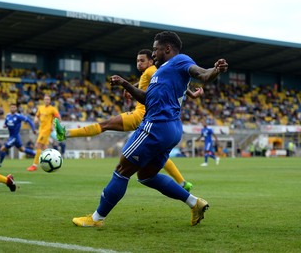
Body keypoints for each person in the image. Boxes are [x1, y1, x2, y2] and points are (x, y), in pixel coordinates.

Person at [71, 31, 228, 227]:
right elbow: (147, 99)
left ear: (167, 48)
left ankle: (96, 219)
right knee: (146, 176)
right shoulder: (161, 72)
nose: (153, 53)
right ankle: (194, 203)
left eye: (155, 49)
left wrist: (215, 70)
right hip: (170, 129)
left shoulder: (180, 60)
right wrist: (125, 84)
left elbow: (203, 74)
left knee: (121, 171)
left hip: (155, 126)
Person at [55, 49, 202, 191]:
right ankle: (182, 183)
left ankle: (66, 134)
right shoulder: (148, 73)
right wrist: (133, 87)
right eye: (137, 60)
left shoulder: (152, 71)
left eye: (142, 60)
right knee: (157, 154)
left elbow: (172, 83)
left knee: (105, 125)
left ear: (151, 61)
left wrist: (190, 93)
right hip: (148, 117)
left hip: (142, 115)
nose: (139, 63)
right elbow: (159, 83)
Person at [0, 103, 37, 168]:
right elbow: (6, 123)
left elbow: (29, 120)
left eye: (14, 107)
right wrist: (5, 125)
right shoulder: (7, 116)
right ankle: (36, 153)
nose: (13, 108)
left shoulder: (18, 116)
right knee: (22, 149)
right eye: (11, 107)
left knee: (2, 149)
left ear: (16, 108)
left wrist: (33, 129)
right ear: (10, 108)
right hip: (12, 136)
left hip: (15, 137)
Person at [26, 94, 61, 171]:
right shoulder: (40, 108)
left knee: (38, 145)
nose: (47, 101)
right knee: (44, 148)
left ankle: (34, 165)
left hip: (47, 129)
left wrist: (53, 125)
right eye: (45, 99)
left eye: (48, 99)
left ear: (50, 100)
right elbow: (37, 115)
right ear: (43, 100)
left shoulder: (52, 109)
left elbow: (58, 118)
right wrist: (35, 119)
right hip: (41, 129)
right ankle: (54, 161)